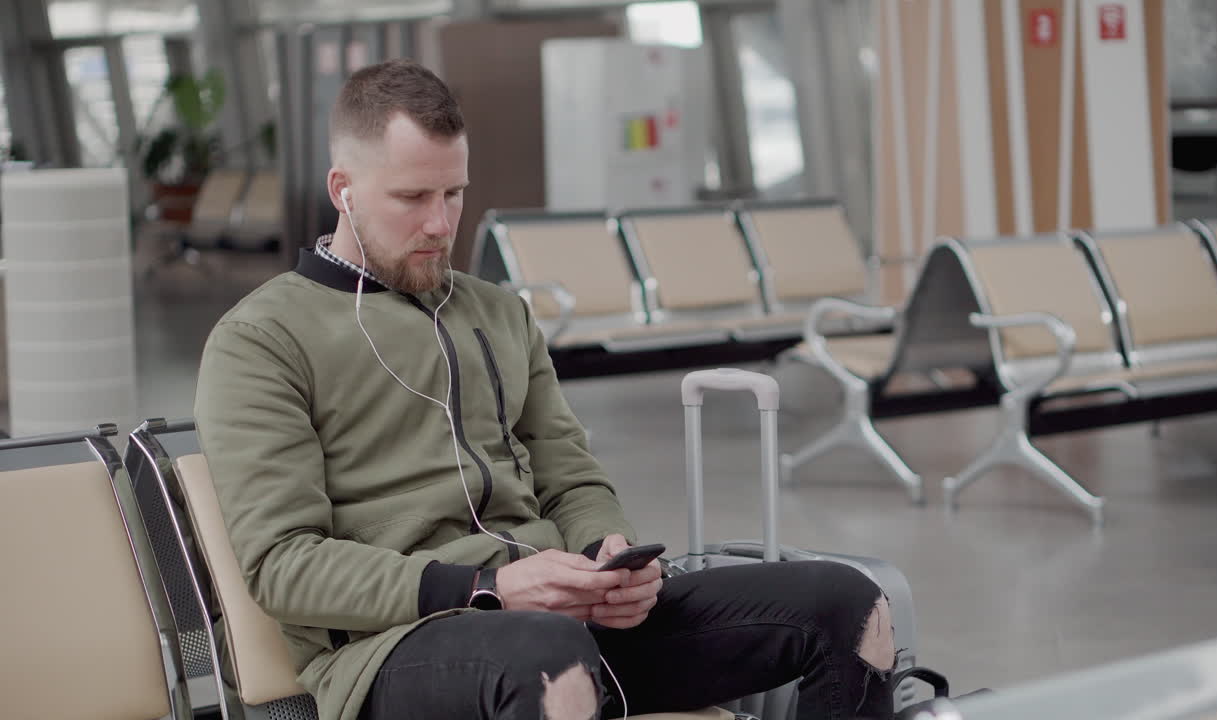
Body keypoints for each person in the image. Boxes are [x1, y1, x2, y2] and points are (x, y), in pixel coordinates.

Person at [195, 58, 899, 720]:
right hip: (398, 648)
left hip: (566, 624)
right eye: (412, 197)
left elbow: (570, 475)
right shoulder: (261, 341)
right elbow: (285, 565)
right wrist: (489, 589)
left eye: (455, 193)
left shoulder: (498, 312)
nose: (441, 224)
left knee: (849, 606)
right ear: (342, 190)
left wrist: (607, 555)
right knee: (545, 658)